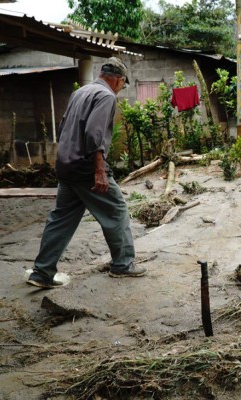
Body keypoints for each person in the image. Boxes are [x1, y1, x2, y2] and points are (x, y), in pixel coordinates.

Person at [27, 57, 146, 289]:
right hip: (86, 167)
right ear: (118, 79)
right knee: (117, 211)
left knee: (61, 219)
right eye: (123, 84)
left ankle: (41, 272)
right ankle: (123, 265)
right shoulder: (106, 96)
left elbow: (62, 128)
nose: (121, 88)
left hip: (66, 165)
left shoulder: (80, 92)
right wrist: (99, 170)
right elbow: (94, 133)